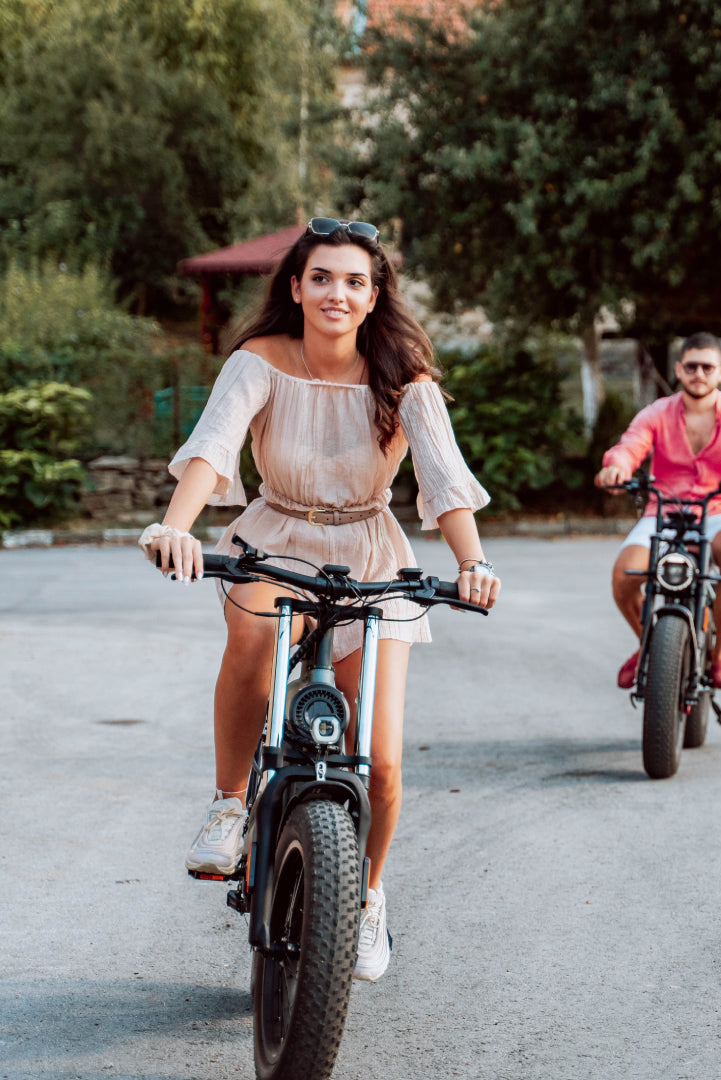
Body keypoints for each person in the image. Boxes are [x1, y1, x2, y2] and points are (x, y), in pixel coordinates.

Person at [139, 218, 500, 983]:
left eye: (356, 282)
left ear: (375, 298)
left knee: (384, 758)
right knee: (252, 642)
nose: (339, 293)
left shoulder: (405, 377)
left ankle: (365, 900)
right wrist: (174, 526)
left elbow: (443, 479)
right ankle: (230, 806)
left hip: (372, 551)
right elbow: (213, 447)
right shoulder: (258, 361)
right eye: (324, 278)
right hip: (277, 537)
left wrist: (472, 564)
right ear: (296, 288)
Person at [594, 331, 721, 691]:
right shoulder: (657, 412)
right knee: (623, 575)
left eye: (707, 367)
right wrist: (616, 467)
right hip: (664, 511)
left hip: (720, 508)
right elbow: (629, 447)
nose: (698, 373)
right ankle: (650, 644)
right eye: (691, 366)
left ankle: (720, 656)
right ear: (679, 369)